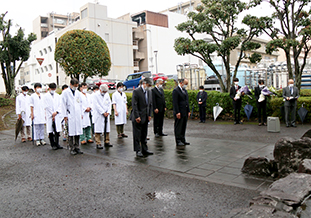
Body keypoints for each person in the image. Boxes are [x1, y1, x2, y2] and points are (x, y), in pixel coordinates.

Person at [131, 77, 154, 157]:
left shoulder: (149, 91)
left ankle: (145, 149)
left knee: (144, 134)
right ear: (144, 83)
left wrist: (149, 115)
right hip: (138, 116)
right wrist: (137, 116)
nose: (149, 86)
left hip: (146, 116)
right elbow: (134, 104)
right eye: (148, 85)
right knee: (137, 134)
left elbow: (150, 104)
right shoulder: (136, 91)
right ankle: (138, 150)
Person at [61, 79, 84, 155]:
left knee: (77, 131)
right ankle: (71, 148)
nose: (75, 87)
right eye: (74, 86)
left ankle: (77, 147)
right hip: (69, 114)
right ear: (70, 84)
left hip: (77, 114)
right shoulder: (65, 93)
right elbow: (63, 105)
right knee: (71, 132)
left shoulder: (78, 93)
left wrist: (81, 113)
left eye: (77, 86)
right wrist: (64, 115)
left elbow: (80, 103)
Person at [43, 83, 63, 150]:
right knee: (50, 130)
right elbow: (46, 106)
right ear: (49, 88)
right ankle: (52, 144)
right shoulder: (46, 96)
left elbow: (60, 105)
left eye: (54, 89)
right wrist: (52, 113)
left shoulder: (58, 96)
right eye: (52, 89)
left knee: (57, 130)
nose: (53, 90)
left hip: (57, 115)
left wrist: (56, 112)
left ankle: (57, 143)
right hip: (50, 115)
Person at [93, 84, 113, 149]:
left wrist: (108, 112)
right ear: (101, 90)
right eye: (104, 91)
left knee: (107, 128)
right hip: (99, 114)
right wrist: (103, 112)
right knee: (98, 129)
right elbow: (96, 105)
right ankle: (98, 143)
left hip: (106, 113)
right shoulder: (96, 95)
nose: (105, 93)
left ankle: (107, 141)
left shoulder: (106, 95)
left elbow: (109, 103)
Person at [172, 78, 190, 146]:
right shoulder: (176, 91)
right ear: (181, 83)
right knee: (178, 126)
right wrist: (177, 112)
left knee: (183, 126)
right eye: (185, 84)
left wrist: (188, 110)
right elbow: (175, 102)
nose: (186, 85)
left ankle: (183, 139)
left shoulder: (184, 90)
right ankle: (178, 140)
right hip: (179, 111)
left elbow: (186, 101)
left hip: (184, 111)